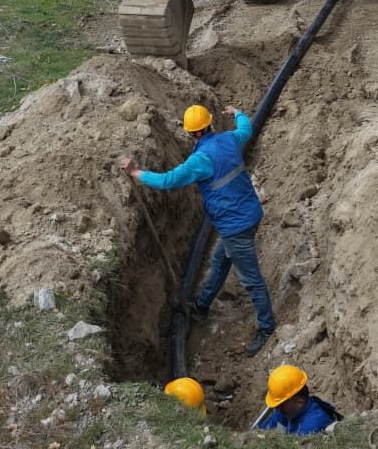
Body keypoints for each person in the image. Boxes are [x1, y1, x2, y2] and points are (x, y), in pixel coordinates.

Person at [119, 104, 277, 356]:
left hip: (235, 225)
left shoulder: (200, 160)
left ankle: (267, 327)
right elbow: (246, 128)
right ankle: (201, 306)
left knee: (251, 279)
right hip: (250, 213)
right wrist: (237, 113)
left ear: (192, 134)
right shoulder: (229, 139)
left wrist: (136, 172)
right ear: (210, 124)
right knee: (219, 260)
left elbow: (167, 180)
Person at [257, 365, 341, 435]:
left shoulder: (311, 427)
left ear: (299, 402)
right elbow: (263, 430)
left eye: (281, 404)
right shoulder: (287, 410)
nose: (277, 408)